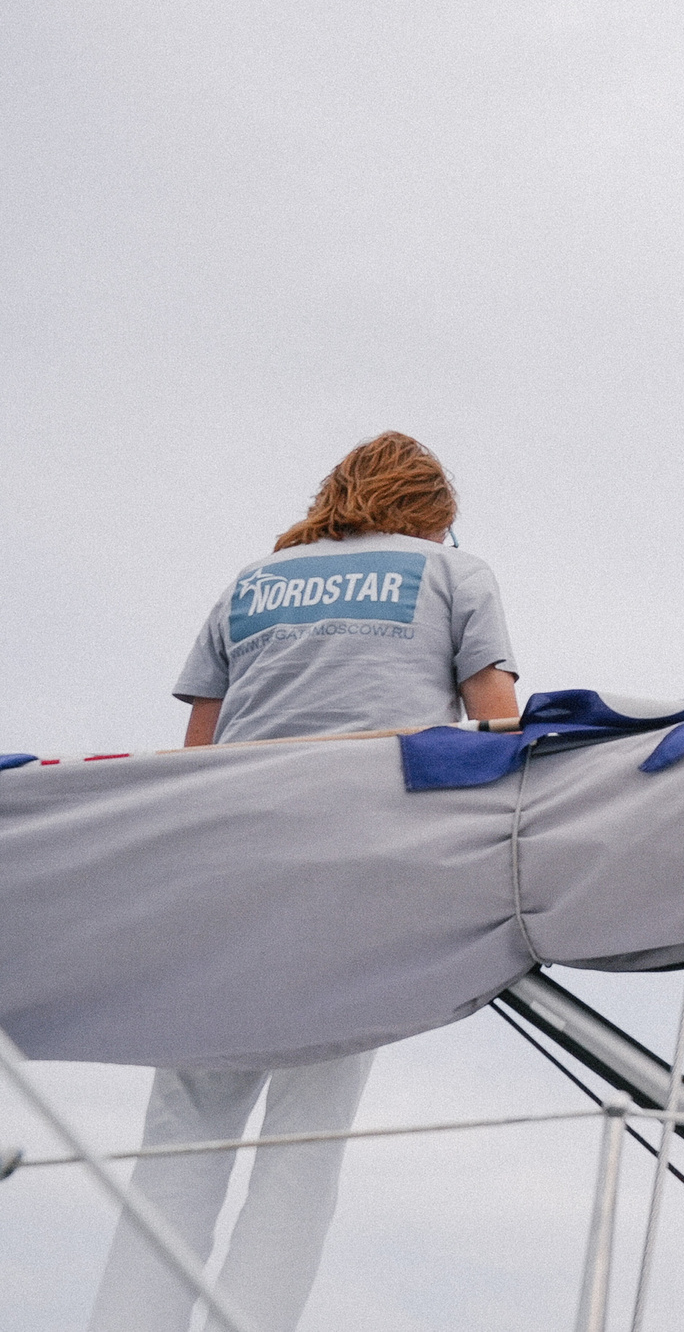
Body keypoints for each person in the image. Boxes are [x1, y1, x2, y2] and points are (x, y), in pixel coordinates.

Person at [90, 432, 518, 1332]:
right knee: (304, 1142)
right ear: (432, 509)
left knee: (181, 1141)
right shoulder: (455, 574)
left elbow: (197, 754)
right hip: (356, 877)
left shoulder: (250, 583)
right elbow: (498, 728)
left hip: (221, 873)